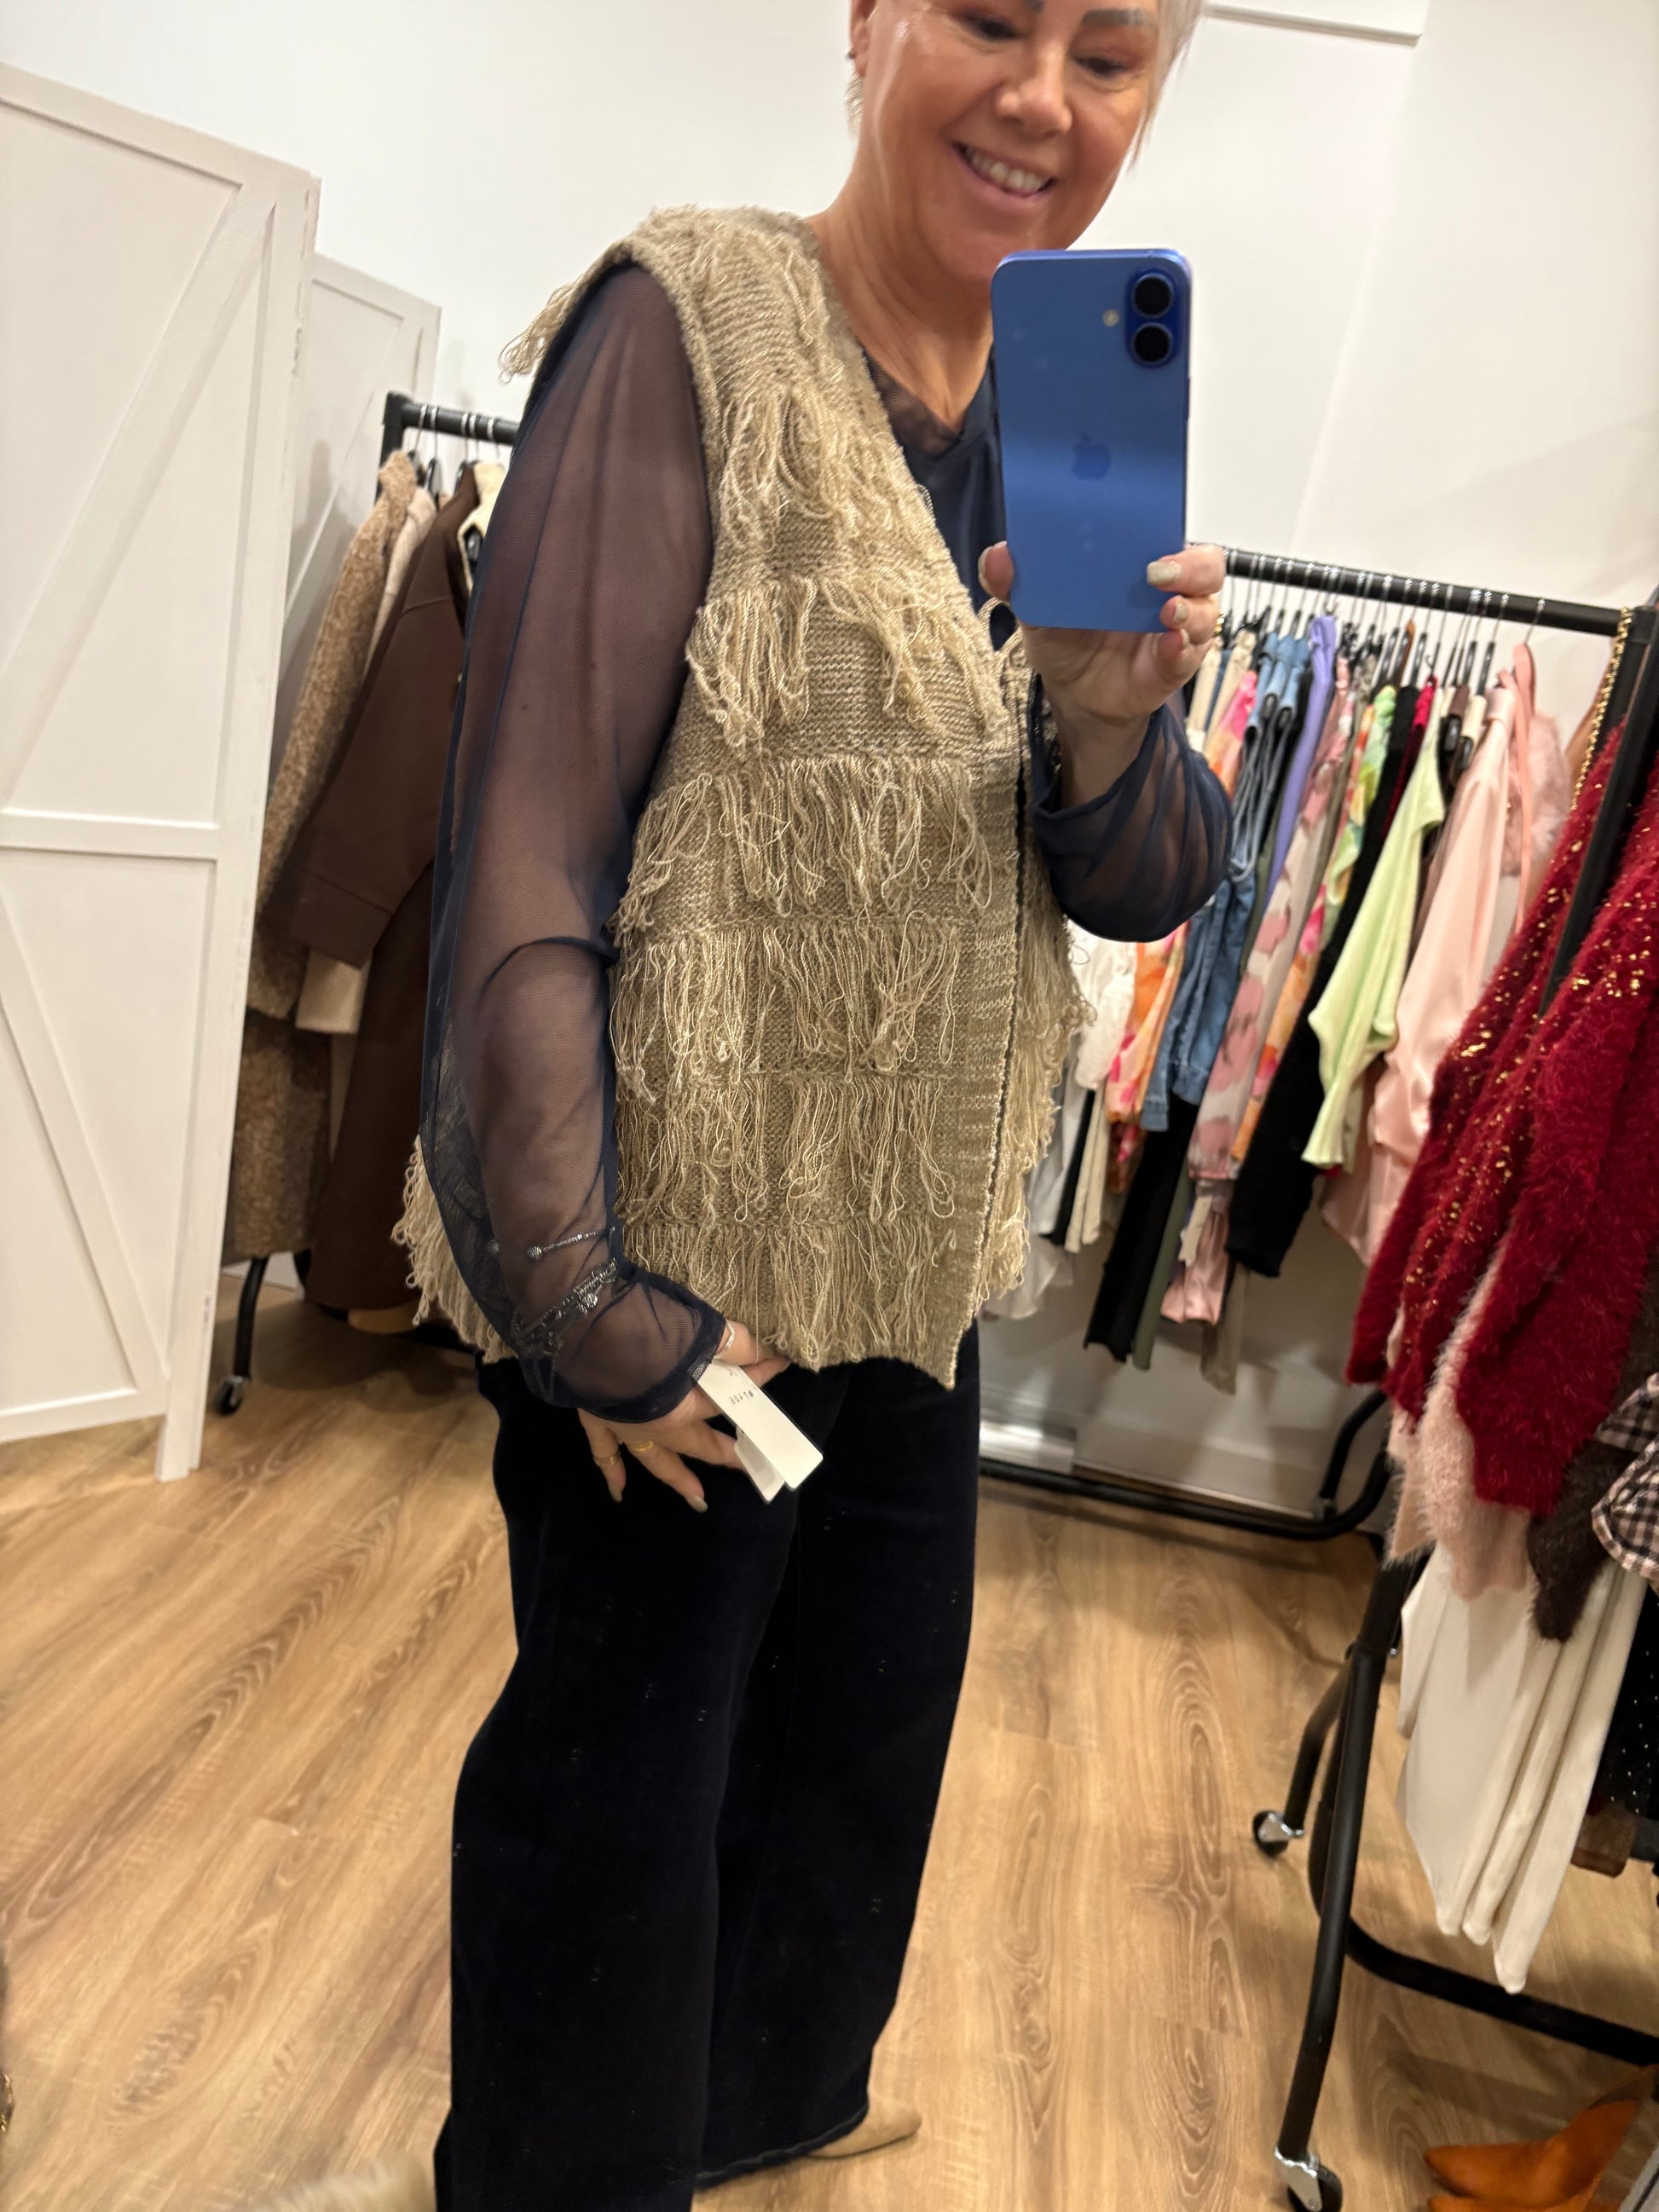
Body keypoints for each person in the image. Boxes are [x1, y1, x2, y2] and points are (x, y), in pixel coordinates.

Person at [391, 4, 1228, 2209]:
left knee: (851, 1753)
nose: (1042, 96)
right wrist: (591, 1307)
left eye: (1111, 54)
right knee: (620, 1796)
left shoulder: (1054, 419)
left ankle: (748, 2116)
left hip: (911, 1273)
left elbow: (1142, 880)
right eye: (989, 19)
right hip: (686, 1281)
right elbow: (527, 847)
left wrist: (1106, 713)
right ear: (867, 25)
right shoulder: (689, 329)